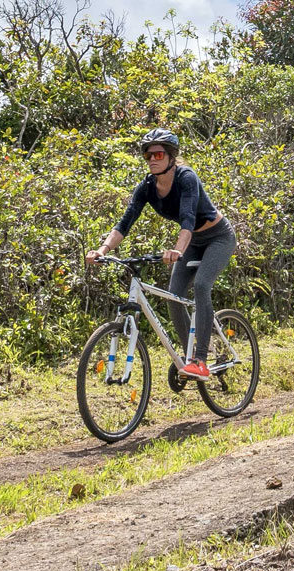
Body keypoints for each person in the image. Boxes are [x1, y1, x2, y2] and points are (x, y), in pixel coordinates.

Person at [86, 128, 236, 382]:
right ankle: (189, 357)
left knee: (201, 286)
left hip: (218, 237)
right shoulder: (146, 187)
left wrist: (177, 250)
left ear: (171, 156)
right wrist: (103, 250)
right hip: (193, 242)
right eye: (148, 155)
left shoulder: (186, 178)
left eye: (158, 154)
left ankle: (200, 359)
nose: (152, 159)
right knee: (174, 298)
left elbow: (188, 219)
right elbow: (125, 223)